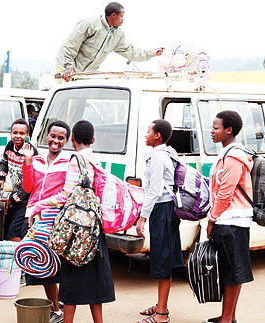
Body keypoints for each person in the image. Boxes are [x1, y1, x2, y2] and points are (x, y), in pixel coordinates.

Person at [29, 120, 115, 323]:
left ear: (72, 139)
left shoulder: (76, 160)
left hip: (77, 232)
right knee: (94, 281)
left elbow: (67, 194)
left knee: (71, 282)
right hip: (94, 228)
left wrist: (40, 205)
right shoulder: (95, 160)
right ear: (93, 140)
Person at [205, 110, 254, 323]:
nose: (212, 131)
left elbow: (225, 192)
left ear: (229, 130)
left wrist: (211, 219)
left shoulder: (233, 156)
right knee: (229, 271)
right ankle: (229, 316)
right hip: (229, 219)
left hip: (231, 220)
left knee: (233, 272)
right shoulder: (226, 153)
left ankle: (226, 319)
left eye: (216, 128)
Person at [22, 120, 71, 323]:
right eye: (53, 136)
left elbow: (67, 193)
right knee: (42, 265)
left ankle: (61, 310)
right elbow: (27, 188)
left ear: (67, 140)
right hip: (33, 216)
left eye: (61, 138)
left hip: (54, 219)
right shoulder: (37, 160)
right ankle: (57, 309)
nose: (56, 141)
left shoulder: (69, 162)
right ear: (46, 136)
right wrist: (26, 162)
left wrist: (46, 206)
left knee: (54, 266)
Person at [135, 119, 183, 323]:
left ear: (158, 136)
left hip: (162, 209)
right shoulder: (168, 153)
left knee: (163, 260)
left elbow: (154, 190)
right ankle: (160, 305)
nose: (146, 134)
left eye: (148, 131)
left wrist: (142, 218)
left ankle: (161, 314)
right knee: (164, 258)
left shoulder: (157, 157)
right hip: (167, 210)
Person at [56, 2, 164, 81]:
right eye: (121, 17)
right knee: (63, 102)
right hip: (67, 68)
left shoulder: (118, 34)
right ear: (113, 15)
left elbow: (131, 51)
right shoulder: (90, 24)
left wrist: (152, 53)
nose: (123, 20)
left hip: (84, 74)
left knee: (78, 105)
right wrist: (68, 66)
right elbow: (71, 45)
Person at [0, 119, 38, 242]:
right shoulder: (9, 146)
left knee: (14, 232)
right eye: (15, 133)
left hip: (27, 199)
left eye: (22, 133)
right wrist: (2, 178)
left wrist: (11, 200)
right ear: (10, 133)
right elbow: (4, 161)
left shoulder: (31, 153)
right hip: (16, 196)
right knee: (4, 227)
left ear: (27, 135)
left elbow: (29, 186)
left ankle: (18, 257)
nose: (18, 136)